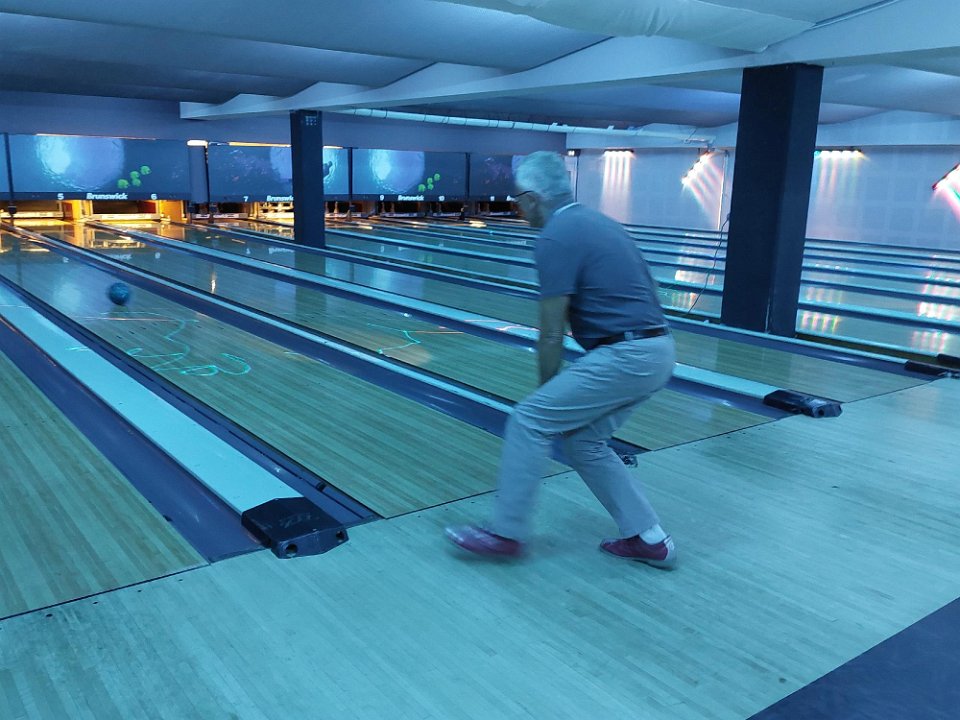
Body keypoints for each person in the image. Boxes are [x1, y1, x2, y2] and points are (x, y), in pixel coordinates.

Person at [445, 151, 677, 568]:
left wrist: (545, 394)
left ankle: (505, 533)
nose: (517, 208)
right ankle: (649, 538)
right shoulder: (601, 223)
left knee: (528, 419)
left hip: (626, 354)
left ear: (533, 199)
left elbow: (552, 332)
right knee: (584, 442)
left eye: (518, 200)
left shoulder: (555, 236)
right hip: (658, 350)